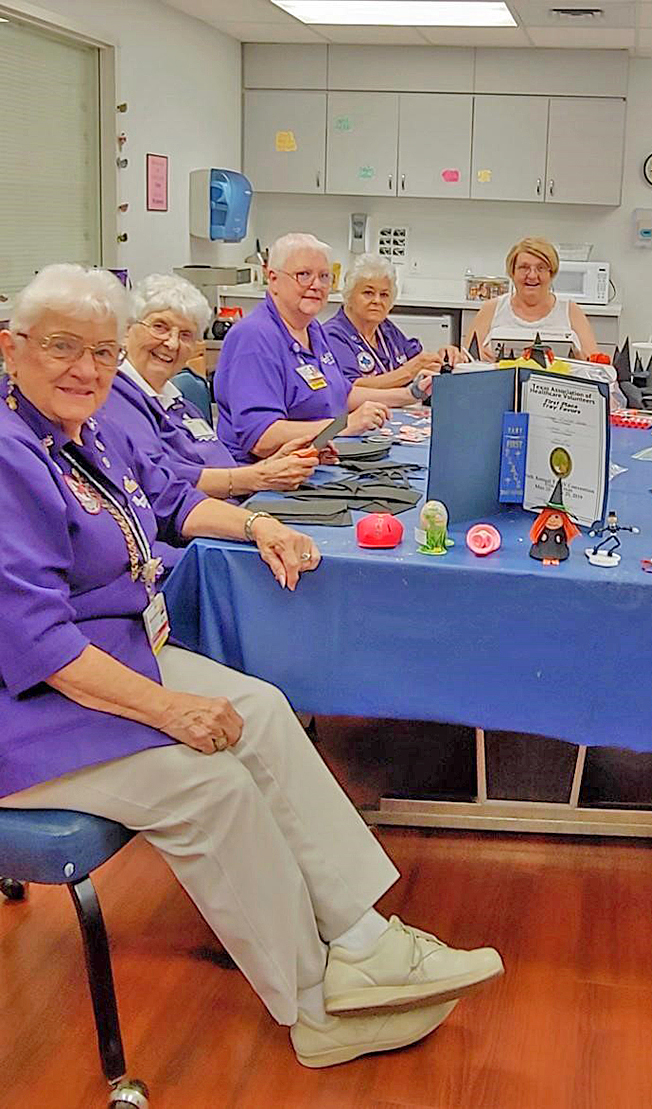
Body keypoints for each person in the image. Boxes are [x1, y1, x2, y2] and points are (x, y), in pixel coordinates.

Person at [0, 264, 503, 1065]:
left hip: (112, 658)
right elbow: (39, 644)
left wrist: (256, 526)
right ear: (12, 348)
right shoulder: (7, 457)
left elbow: (166, 499)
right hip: (29, 710)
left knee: (261, 708)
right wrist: (170, 711)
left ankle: (364, 939)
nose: (86, 368)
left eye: (99, 350)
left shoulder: (76, 434)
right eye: (63, 346)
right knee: (210, 784)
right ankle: (313, 1008)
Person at [103, 273, 319, 504]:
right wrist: (258, 477)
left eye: (185, 335)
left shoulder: (179, 403)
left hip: (238, 506)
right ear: (126, 331)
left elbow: (218, 466)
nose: (172, 343)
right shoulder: (118, 398)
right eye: (160, 327)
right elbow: (162, 481)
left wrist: (276, 465)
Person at [214, 233, 422, 464]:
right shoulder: (254, 337)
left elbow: (343, 394)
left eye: (324, 276)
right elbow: (262, 439)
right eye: (303, 275)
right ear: (273, 279)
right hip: (263, 481)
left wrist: (411, 394)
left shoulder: (311, 328)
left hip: (315, 460)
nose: (316, 285)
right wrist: (342, 426)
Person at [325, 253, 466, 385]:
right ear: (349, 295)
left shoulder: (385, 329)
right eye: (368, 293)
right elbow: (351, 388)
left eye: (384, 295)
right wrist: (407, 372)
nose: (377, 301)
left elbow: (417, 361)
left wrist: (442, 357)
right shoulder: (332, 335)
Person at [463, 237, 599, 360]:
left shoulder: (571, 311)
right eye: (524, 268)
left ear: (551, 273)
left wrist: (581, 360)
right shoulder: (491, 309)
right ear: (512, 272)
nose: (532, 275)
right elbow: (465, 359)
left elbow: (596, 366)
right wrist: (477, 358)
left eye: (541, 268)